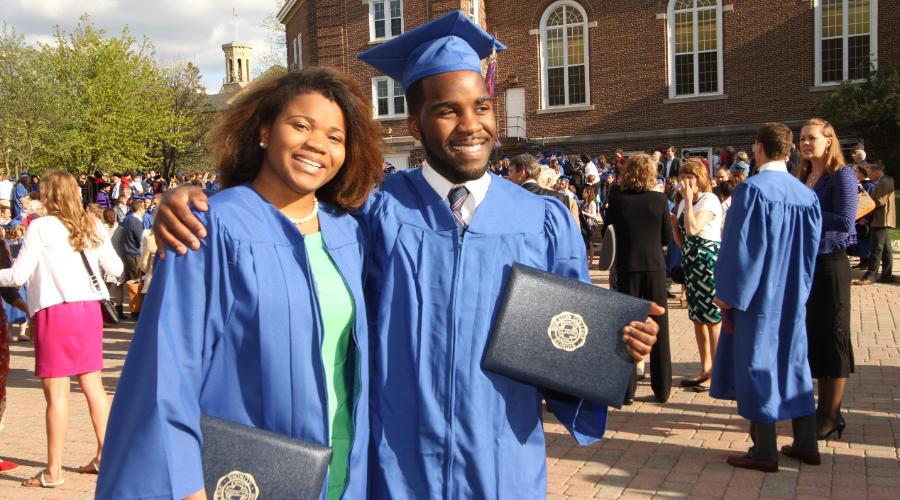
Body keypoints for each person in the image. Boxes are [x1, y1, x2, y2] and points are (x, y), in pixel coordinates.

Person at [154, 12, 661, 499]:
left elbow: (568, 342)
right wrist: (193, 199)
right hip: (395, 464)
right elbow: (285, 209)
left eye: (481, 107)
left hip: (501, 460)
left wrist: (615, 347)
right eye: (446, 110)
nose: (470, 124)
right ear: (415, 128)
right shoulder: (370, 214)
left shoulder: (543, 221)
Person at [97, 68, 383, 500]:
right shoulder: (210, 226)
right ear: (265, 131)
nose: (317, 145)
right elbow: (168, 371)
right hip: (242, 478)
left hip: (343, 471)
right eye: (300, 125)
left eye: (335, 137)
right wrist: (188, 486)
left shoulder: (346, 233)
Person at [0, 170, 122, 488]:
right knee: (93, 387)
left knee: (57, 395)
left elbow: (18, 275)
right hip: (89, 310)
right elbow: (117, 268)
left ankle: (53, 471)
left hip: (55, 311)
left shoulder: (41, 227)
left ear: (49, 194)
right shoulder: (92, 223)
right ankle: (105, 455)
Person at [712, 122, 823, 473]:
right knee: (794, 362)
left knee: (758, 363)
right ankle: (807, 442)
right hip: (793, 291)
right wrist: (802, 287)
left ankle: (764, 449)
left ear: (759, 149)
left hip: (760, 295)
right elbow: (811, 250)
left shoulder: (753, 191)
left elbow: (742, 249)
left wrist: (728, 293)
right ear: (788, 151)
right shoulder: (807, 195)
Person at [794, 118, 857, 440]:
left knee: (834, 334)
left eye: (812, 138)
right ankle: (822, 409)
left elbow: (846, 221)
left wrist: (807, 207)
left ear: (829, 141)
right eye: (802, 138)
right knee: (816, 334)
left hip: (831, 263)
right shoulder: (804, 175)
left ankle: (832, 414)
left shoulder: (841, 175)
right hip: (808, 265)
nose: (805, 143)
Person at [604, 153, 672, 404]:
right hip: (654, 266)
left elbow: (607, 232)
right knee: (661, 327)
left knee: (628, 327)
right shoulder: (659, 199)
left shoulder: (618, 199)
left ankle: (627, 390)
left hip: (627, 267)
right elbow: (666, 237)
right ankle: (662, 388)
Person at [672, 159, 722, 389]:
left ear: (700, 177)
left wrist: (689, 203)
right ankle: (706, 368)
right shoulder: (684, 203)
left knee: (712, 318)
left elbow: (694, 228)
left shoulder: (708, 200)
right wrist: (674, 224)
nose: (686, 181)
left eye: (690, 176)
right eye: (683, 176)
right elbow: (682, 240)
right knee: (697, 318)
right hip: (691, 260)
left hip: (708, 261)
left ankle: (720, 371)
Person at [854, 161, 895, 285]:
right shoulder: (884, 181)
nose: (869, 175)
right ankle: (886, 276)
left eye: (870, 172)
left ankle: (870, 276)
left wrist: (866, 200)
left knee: (876, 249)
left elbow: (880, 201)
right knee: (886, 250)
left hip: (881, 220)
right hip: (882, 220)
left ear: (877, 171)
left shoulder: (884, 181)